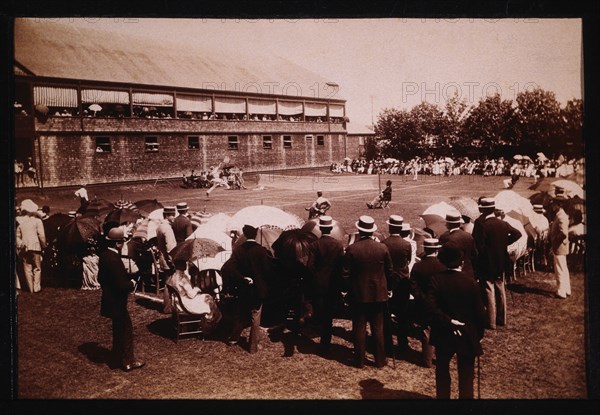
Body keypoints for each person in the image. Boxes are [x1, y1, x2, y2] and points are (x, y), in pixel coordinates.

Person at [425, 243, 487, 399]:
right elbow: (480, 313)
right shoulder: (471, 282)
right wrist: (479, 334)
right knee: (466, 374)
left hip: (443, 332)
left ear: (443, 261)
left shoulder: (436, 280)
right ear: (461, 262)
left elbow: (431, 308)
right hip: (466, 332)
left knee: (442, 370)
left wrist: (448, 321)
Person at [343, 215, 393, 368]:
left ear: (359, 230)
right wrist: (389, 288)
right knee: (378, 328)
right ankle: (380, 360)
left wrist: (346, 290)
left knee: (359, 328)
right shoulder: (382, 248)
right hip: (379, 294)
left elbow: (346, 273)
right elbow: (389, 271)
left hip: (359, 294)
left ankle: (359, 360)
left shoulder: (352, 249)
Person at [98, 227, 144, 372]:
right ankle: (128, 361)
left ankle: (116, 358)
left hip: (109, 299)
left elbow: (101, 278)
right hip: (117, 301)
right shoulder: (114, 259)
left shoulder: (104, 255)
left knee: (118, 330)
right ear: (118, 243)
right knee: (125, 330)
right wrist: (132, 283)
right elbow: (121, 285)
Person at [472, 197, 522, 329]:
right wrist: (504, 243)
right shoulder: (502, 223)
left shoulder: (481, 223)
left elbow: (478, 245)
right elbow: (517, 234)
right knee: (500, 287)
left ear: (482, 209)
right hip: (501, 260)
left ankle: (491, 321)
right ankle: (502, 318)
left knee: (489, 290)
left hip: (487, 262)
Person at [224, 224, 274, 353]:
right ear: (256, 235)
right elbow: (268, 271)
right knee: (255, 317)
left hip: (243, 288)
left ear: (245, 235)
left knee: (240, 313)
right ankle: (253, 346)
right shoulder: (262, 251)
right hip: (258, 289)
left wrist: (242, 278)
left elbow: (229, 268)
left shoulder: (238, 250)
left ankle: (233, 339)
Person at [309, 215, 345, 355]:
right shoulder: (338, 245)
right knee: (329, 315)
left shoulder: (314, 245)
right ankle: (326, 343)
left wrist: (317, 276)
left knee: (321, 313)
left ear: (320, 229)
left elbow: (310, 266)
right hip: (333, 284)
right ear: (330, 229)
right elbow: (341, 265)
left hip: (319, 283)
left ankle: (323, 341)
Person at [409, 238, 447, 367]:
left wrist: (421, 298)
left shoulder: (418, 266)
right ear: (437, 250)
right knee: (441, 330)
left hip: (423, 303)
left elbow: (413, 286)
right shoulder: (443, 266)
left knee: (426, 331)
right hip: (440, 303)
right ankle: (441, 359)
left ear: (425, 249)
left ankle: (427, 360)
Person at [381, 215, 413, 356]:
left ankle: (387, 342)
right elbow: (408, 260)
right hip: (403, 282)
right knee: (403, 314)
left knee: (386, 314)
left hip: (388, 282)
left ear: (389, 228)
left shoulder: (384, 243)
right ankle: (403, 341)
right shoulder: (406, 244)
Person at [166, 259, 222, 331]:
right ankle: (210, 323)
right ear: (181, 265)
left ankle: (211, 320)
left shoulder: (173, 276)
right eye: (184, 263)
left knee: (205, 297)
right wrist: (197, 288)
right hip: (185, 303)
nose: (186, 265)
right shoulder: (182, 278)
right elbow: (191, 295)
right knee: (208, 298)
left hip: (177, 302)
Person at [16, 199, 47, 293]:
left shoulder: (21, 223)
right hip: (35, 246)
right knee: (37, 268)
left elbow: (17, 236)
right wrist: (44, 245)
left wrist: (21, 243)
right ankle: (36, 287)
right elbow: (41, 235)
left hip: (24, 247)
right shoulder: (38, 221)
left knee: (27, 268)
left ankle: (30, 289)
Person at [439, 212, 477, 279]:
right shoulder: (468, 236)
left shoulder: (445, 237)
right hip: (468, 271)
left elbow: (441, 257)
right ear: (459, 223)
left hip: (451, 273)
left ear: (448, 224)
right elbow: (474, 254)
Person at [548, 188, 571, 299]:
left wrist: (554, 244)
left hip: (559, 247)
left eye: (554, 205)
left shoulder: (561, 216)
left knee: (560, 269)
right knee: (563, 268)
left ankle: (561, 291)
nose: (552, 207)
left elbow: (563, 233)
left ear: (558, 205)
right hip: (561, 246)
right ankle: (566, 289)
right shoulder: (561, 215)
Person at [157, 206, 177, 312]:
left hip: (162, 258)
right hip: (168, 260)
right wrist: (173, 261)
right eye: (172, 215)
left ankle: (167, 305)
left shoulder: (160, 226)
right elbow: (171, 248)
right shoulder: (167, 228)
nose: (174, 217)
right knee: (170, 283)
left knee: (167, 282)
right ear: (167, 215)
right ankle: (168, 307)